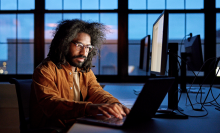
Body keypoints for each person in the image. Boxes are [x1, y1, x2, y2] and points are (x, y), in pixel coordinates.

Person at [30, 19, 130, 131]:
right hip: (54, 129)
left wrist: (115, 104)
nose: (84, 53)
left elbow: (96, 92)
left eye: (88, 47)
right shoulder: (45, 70)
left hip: (78, 124)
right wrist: (88, 108)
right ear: (64, 43)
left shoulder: (84, 70)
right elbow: (51, 105)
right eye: (79, 45)